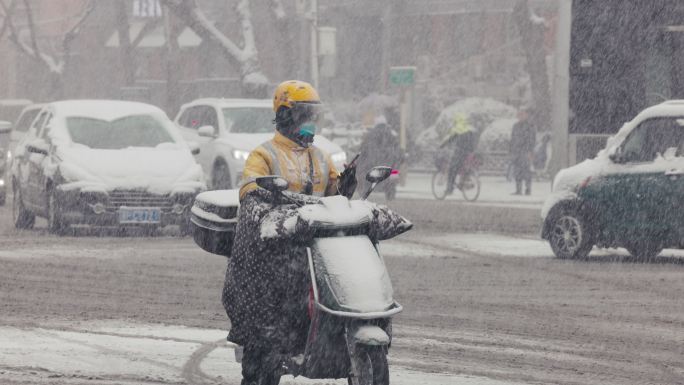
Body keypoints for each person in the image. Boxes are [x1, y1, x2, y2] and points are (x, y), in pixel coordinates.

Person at [223, 80, 357, 385]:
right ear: (284, 116)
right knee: (269, 326)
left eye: (313, 115)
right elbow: (249, 190)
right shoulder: (264, 154)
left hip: (319, 251)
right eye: (302, 114)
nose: (309, 122)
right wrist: (268, 199)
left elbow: (334, 193)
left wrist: (346, 185)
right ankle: (264, 359)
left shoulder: (320, 157)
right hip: (280, 253)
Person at [356, 115, 403, 193]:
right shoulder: (392, 135)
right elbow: (397, 151)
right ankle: (391, 188)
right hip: (389, 164)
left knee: (364, 170)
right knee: (394, 172)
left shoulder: (371, 135)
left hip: (373, 163)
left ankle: (367, 190)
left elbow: (363, 150)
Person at [440, 113, 477, 195]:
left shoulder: (458, 129)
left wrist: (442, 145)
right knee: (463, 169)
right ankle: (462, 183)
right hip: (470, 154)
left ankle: (449, 189)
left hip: (460, 153)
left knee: (451, 170)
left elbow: (450, 139)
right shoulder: (470, 129)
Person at [509, 107, 536, 195]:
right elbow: (512, 139)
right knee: (517, 171)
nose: (520, 116)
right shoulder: (515, 126)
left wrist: (530, 151)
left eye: (522, 114)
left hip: (526, 152)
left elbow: (532, 139)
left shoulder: (530, 126)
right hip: (517, 152)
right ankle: (518, 189)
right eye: (519, 114)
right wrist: (511, 151)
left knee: (527, 171)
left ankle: (528, 189)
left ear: (526, 115)